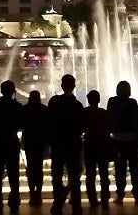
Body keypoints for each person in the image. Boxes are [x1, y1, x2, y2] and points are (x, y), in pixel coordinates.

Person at [47, 74, 84, 215]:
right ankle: (76, 206)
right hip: (73, 145)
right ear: (74, 87)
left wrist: (50, 141)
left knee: (56, 176)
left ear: (62, 86)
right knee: (74, 177)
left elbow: (48, 123)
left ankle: (58, 204)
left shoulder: (54, 102)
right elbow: (82, 126)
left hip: (58, 145)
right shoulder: (78, 106)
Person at [0, 80, 23, 215]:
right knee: (14, 175)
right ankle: (14, 200)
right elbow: (21, 124)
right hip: (12, 143)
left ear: (1, 91)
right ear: (13, 91)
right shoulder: (17, 106)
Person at [106, 81, 138, 205]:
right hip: (132, 140)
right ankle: (137, 196)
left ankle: (120, 196)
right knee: (135, 169)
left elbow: (109, 118)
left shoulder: (112, 101)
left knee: (120, 170)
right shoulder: (133, 102)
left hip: (117, 140)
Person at [82, 90, 113, 207]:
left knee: (90, 175)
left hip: (89, 146)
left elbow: (81, 128)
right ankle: (105, 199)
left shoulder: (84, 113)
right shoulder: (104, 113)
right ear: (99, 100)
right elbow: (110, 127)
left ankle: (92, 200)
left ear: (88, 100)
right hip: (103, 146)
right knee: (104, 174)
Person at [22, 90, 48, 206]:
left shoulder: (25, 109)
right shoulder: (44, 109)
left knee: (31, 167)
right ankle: (39, 192)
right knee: (39, 167)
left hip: (29, 142)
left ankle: (32, 192)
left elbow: (21, 125)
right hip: (40, 142)